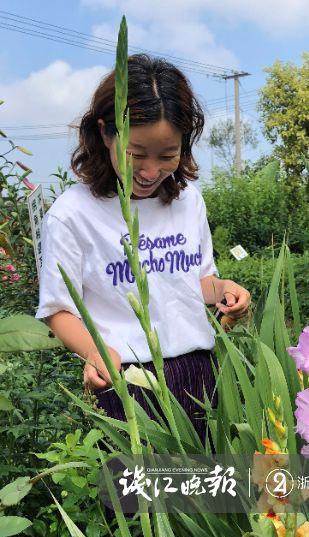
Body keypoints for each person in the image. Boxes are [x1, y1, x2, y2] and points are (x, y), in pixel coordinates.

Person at [35, 54, 250, 443]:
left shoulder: (187, 201)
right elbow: (58, 309)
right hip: (127, 381)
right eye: (136, 155)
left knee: (208, 493)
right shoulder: (72, 214)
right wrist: (95, 352)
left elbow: (197, 280)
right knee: (140, 499)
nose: (151, 171)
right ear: (105, 133)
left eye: (167, 155)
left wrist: (225, 290)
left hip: (200, 373)